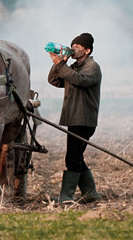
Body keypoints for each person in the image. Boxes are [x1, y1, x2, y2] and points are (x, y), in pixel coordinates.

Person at [47, 32, 102, 204]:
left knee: (72, 158)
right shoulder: (74, 67)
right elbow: (54, 80)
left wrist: (61, 66)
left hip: (84, 119)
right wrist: (60, 62)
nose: (74, 50)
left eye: (77, 47)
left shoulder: (92, 67)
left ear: (87, 50)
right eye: (73, 47)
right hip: (74, 118)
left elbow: (79, 81)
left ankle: (66, 197)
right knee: (76, 156)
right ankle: (90, 194)